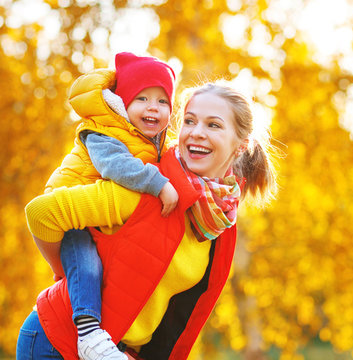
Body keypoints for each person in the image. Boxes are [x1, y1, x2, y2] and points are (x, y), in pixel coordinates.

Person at [17, 82, 278, 360]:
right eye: (189, 121)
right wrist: (71, 277)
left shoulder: (219, 220)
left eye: (213, 125)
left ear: (241, 145)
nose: (197, 133)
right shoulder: (145, 186)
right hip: (57, 343)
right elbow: (41, 212)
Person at [37, 52, 179, 360]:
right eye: (142, 98)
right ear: (122, 104)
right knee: (86, 262)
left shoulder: (152, 141)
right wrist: (159, 184)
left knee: (96, 267)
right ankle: (88, 333)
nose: (153, 107)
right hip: (73, 207)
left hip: (95, 214)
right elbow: (115, 166)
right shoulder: (104, 130)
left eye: (162, 101)